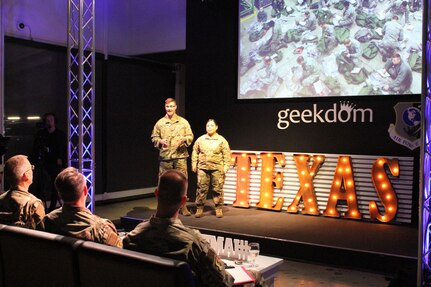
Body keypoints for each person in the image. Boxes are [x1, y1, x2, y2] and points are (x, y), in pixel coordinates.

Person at [123, 170, 266, 287]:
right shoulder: (192, 243)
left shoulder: (134, 236)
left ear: (156, 193)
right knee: (256, 276)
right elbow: (222, 282)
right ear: (184, 200)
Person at [44, 167, 122, 247]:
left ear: (59, 194)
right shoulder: (101, 230)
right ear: (85, 190)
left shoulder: (48, 222)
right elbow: (119, 253)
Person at [151, 98, 194, 216]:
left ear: (175, 107)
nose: (169, 109)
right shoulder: (160, 123)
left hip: (180, 156)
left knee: (182, 181)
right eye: (167, 107)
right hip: (165, 157)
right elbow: (154, 137)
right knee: (163, 182)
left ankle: (183, 207)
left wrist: (184, 140)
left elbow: (190, 136)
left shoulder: (183, 122)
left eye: (171, 106)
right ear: (165, 108)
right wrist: (160, 141)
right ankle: (162, 207)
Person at [192, 119, 231, 218]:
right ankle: (199, 208)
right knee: (201, 189)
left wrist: (226, 166)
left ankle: (218, 208)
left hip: (217, 168)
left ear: (216, 127)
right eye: (208, 125)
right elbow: (195, 151)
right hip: (202, 168)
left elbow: (226, 154)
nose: (209, 127)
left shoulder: (221, 140)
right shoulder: (200, 139)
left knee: (217, 189)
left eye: (212, 125)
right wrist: (194, 164)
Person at [33, 112, 67, 212]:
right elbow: (36, 148)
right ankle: (39, 207)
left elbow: (64, 150)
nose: (49, 122)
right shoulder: (41, 135)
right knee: (40, 184)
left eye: (51, 120)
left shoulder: (60, 135)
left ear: (55, 121)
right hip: (43, 163)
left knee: (54, 186)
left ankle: (52, 207)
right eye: (47, 120)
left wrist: (63, 164)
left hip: (55, 164)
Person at [0, 155, 45, 230]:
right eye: (31, 168)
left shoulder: (1, 200)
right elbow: (43, 235)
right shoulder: (34, 205)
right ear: (26, 175)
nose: (32, 170)